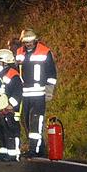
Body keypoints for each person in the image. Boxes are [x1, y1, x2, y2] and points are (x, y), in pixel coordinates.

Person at [15, 28, 58, 158]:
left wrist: (49, 91)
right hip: (24, 94)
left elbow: (51, 74)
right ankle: (40, 147)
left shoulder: (45, 52)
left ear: (35, 40)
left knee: (36, 121)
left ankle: (35, 149)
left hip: (39, 93)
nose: (28, 44)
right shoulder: (19, 53)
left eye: (30, 41)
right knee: (26, 122)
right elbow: (16, 72)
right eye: (26, 41)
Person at [0, 49, 23, 162]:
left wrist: (10, 105)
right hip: (1, 109)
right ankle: (3, 153)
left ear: (4, 62)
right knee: (1, 132)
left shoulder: (13, 75)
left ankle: (13, 154)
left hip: (10, 111)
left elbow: (18, 92)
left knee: (11, 132)